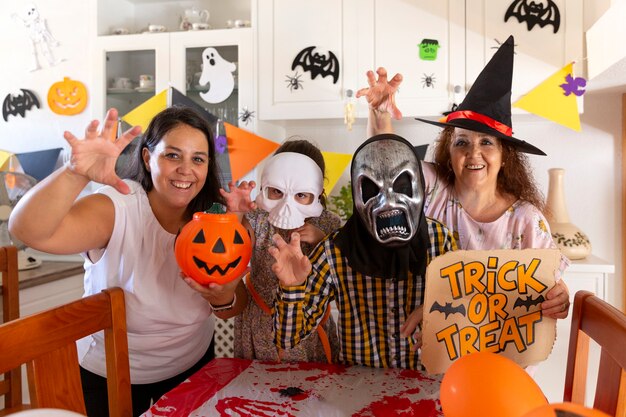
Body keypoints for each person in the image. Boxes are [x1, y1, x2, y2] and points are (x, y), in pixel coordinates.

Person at [8, 106, 248, 417]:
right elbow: (27, 231)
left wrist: (223, 296)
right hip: (109, 374)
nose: (185, 169)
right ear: (148, 159)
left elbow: (236, 304)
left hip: (192, 367)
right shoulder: (117, 206)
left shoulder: (215, 219)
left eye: (197, 159)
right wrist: (75, 173)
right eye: (173, 155)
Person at [355, 35, 571, 338]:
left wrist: (560, 297)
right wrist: (379, 114)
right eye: (461, 142)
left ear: (505, 156)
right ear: (449, 152)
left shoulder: (526, 219)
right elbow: (384, 164)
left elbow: (550, 285)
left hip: (503, 363)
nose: (473, 153)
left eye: (486, 142)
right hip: (434, 359)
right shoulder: (430, 190)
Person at [268, 132, 457, 370]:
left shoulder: (440, 241)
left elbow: (465, 310)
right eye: (370, 189)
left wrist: (440, 309)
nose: (387, 202)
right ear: (357, 196)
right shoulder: (335, 251)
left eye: (401, 185)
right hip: (357, 392)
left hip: (426, 387)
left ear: (420, 186)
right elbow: (286, 339)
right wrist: (292, 289)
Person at [222, 139, 341, 363]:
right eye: (277, 191)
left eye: (301, 194)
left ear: (317, 191)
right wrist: (236, 214)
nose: (288, 201)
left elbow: (340, 270)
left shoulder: (327, 222)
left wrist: (322, 240)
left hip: (307, 325)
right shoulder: (257, 217)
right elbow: (234, 247)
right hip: (258, 321)